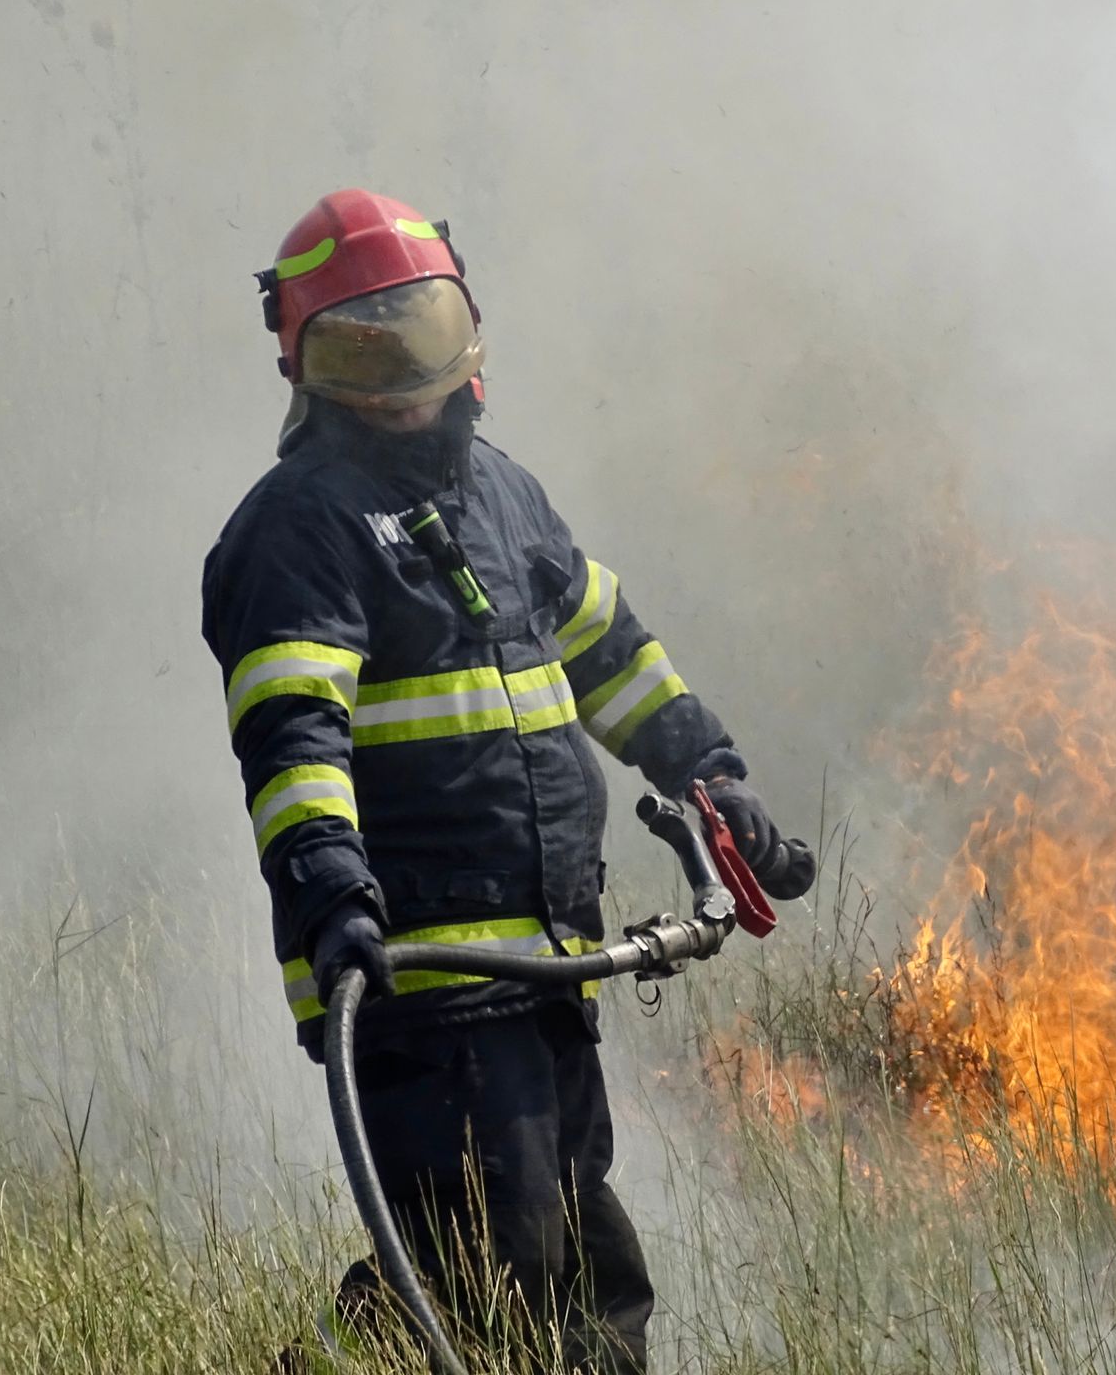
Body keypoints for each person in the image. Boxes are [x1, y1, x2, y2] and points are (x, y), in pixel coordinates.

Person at [202, 189, 814, 1373]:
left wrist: (709, 769)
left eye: (419, 333)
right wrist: (331, 898)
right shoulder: (298, 529)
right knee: (499, 1271)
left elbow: (609, 654)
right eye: (365, 349)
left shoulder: (502, 495)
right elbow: (292, 737)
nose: (403, 378)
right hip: (422, 976)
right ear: (309, 364)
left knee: (551, 1266)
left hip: (544, 964)